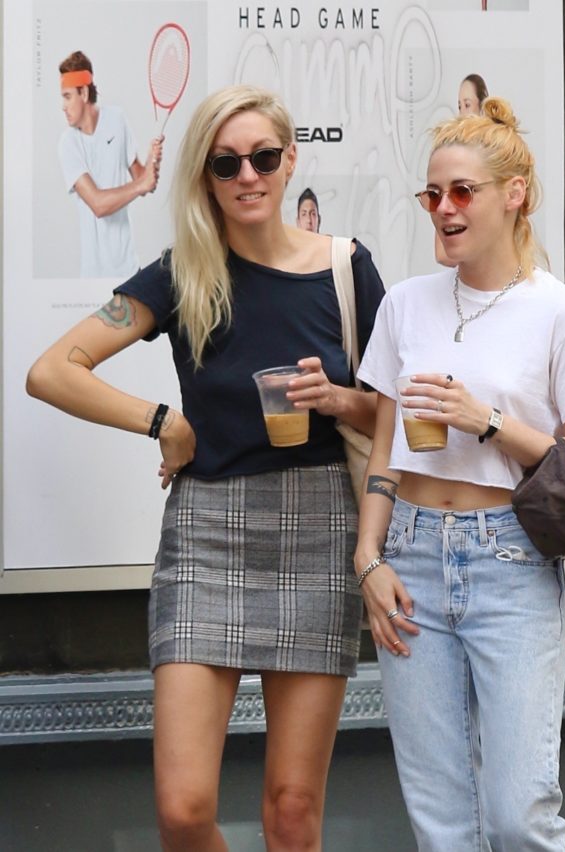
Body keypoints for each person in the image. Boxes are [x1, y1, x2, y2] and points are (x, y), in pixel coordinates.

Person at [27, 84, 384, 851]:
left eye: (262, 157)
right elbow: (52, 370)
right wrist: (163, 421)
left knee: (294, 812)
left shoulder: (346, 268)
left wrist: (339, 400)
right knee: (184, 811)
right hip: (206, 532)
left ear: (290, 161)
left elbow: (394, 418)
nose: (247, 175)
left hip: (320, 527)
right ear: (205, 176)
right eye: (226, 163)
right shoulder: (182, 274)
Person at [354, 97, 565, 851]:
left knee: (517, 816)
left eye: (462, 191)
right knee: (442, 823)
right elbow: (384, 445)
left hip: (511, 560)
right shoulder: (404, 306)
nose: (444, 209)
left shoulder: (562, 315)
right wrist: (369, 556)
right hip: (410, 558)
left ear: (514, 194)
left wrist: (489, 421)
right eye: (433, 194)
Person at [58, 51, 164, 278]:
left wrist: (151, 161)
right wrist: (142, 184)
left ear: (83, 93)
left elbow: (143, 181)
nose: (63, 106)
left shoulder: (117, 119)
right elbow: (98, 205)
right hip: (94, 276)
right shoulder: (68, 143)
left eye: (67, 97)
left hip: (130, 270)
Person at [436, 72, 489, 267]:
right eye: (459, 106)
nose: (462, 114)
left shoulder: (496, 157)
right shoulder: (452, 158)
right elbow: (442, 254)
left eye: (467, 105)